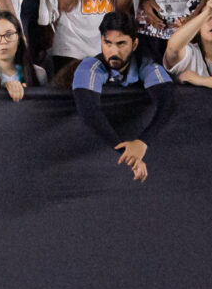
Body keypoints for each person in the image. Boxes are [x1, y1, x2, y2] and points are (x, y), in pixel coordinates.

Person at [72, 12, 175, 183]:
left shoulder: (146, 65)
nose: (114, 51)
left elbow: (167, 103)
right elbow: (88, 111)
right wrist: (128, 154)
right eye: (108, 43)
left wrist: (142, 142)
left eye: (121, 44)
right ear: (101, 41)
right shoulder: (90, 66)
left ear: (134, 44)